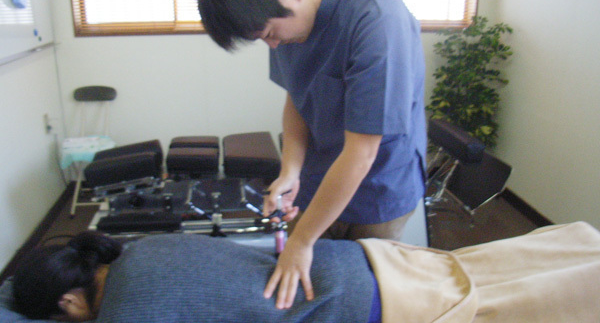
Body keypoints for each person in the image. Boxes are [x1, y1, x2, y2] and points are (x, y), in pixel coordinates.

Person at [195, 0, 427, 309]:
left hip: (377, 186)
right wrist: (291, 170)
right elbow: (297, 94)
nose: (272, 46)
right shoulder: (286, 20)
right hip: (321, 174)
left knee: (363, 297)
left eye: (269, 34)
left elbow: (361, 154)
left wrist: (302, 242)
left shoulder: (376, 18)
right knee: (305, 293)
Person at [7, 223, 600, 322]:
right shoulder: (137, 249)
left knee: (531, 304)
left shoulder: (125, 312)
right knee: (483, 268)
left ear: (68, 304)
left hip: (366, 307)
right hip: (365, 258)